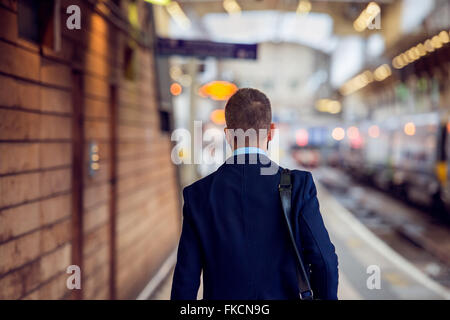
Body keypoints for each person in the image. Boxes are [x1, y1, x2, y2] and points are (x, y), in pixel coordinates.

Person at [171, 88, 339, 300]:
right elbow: (324, 261)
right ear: (271, 132)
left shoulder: (198, 194)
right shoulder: (298, 186)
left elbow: (185, 280)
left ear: (228, 135)